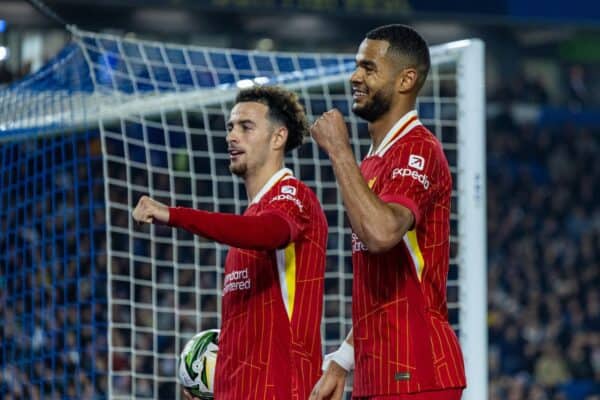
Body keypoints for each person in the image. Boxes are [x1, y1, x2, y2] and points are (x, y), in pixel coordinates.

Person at [132, 86, 328, 400]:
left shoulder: (294, 197)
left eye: (246, 127)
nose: (232, 136)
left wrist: (173, 214)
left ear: (278, 138)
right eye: (230, 127)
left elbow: (268, 232)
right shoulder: (250, 220)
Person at [309, 24, 466, 400]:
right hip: (379, 372)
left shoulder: (419, 150)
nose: (354, 77)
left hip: (417, 371)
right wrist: (341, 360)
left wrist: (338, 150)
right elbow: (381, 290)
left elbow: (381, 233)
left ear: (405, 80)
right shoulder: (374, 162)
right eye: (356, 66)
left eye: (368, 68)